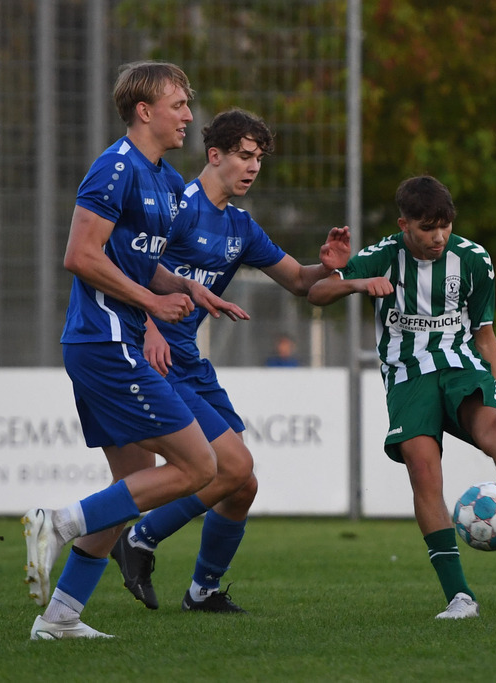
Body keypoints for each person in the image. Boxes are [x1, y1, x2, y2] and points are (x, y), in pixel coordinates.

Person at [22, 61, 249, 640]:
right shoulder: (114, 167)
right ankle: (59, 521)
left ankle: (60, 618)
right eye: (178, 105)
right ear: (144, 111)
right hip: (106, 340)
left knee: (131, 487)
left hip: (111, 340)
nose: (189, 116)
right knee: (202, 466)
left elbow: (138, 259)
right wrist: (150, 302)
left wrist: (186, 286)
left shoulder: (170, 182)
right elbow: (81, 255)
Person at [109, 108, 350, 612]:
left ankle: (201, 592)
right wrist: (150, 324)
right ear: (214, 155)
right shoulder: (175, 205)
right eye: (244, 155)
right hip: (151, 356)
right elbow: (129, 265)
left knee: (241, 484)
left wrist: (327, 268)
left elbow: (301, 283)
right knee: (233, 465)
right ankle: (137, 539)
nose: (253, 166)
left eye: (258, 158)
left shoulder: (240, 226)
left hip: (190, 363)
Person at [307, 175, 496, 619]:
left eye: (445, 226)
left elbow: (486, 337)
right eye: (427, 228)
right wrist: (355, 283)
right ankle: (460, 597)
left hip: (458, 362)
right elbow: (317, 292)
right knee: (423, 469)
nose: (438, 237)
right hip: (407, 374)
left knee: (491, 422)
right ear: (404, 225)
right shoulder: (382, 256)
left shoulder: (473, 260)